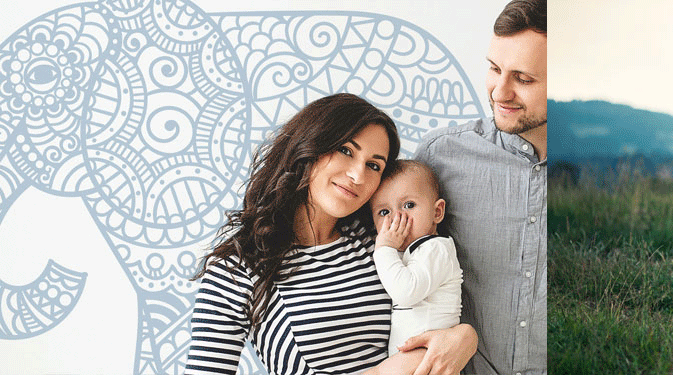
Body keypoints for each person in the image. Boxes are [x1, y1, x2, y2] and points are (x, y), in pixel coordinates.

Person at [185, 93, 477, 375]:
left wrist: (465, 336)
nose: (358, 175)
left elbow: (439, 293)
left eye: (374, 165)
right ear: (309, 146)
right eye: (346, 151)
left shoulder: (376, 239)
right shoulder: (239, 268)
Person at [412, 0, 546, 373]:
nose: (499, 92)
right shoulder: (439, 158)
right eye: (494, 68)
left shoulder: (592, 178)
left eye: (523, 79)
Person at [368, 160, 463, 360]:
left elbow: (406, 292)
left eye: (409, 205)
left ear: (437, 212)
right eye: (384, 212)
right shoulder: (403, 253)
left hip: (433, 360)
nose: (396, 218)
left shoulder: (437, 248)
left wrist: (384, 249)